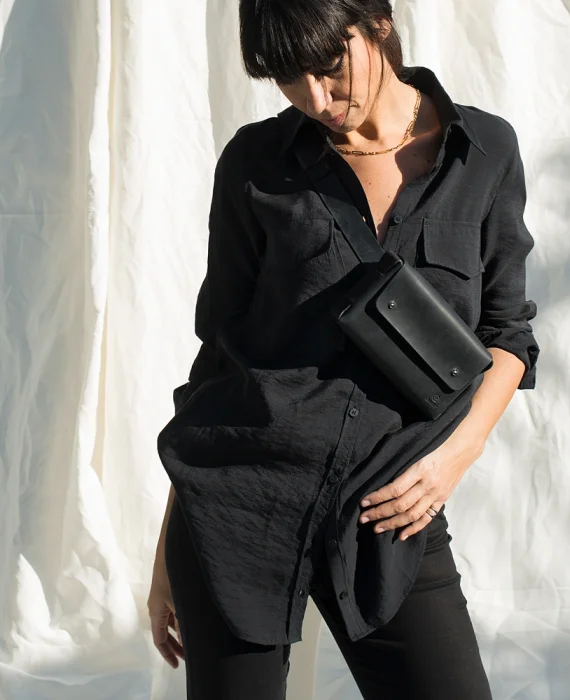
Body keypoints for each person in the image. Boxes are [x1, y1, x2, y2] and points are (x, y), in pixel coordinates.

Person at [147, 1, 539, 698]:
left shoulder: (483, 153)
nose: (316, 99)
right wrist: (169, 547)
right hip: (237, 510)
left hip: (389, 510)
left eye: (330, 67)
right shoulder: (255, 163)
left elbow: (508, 332)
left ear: (378, 24)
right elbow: (217, 366)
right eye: (288, 79)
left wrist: (454, 457)